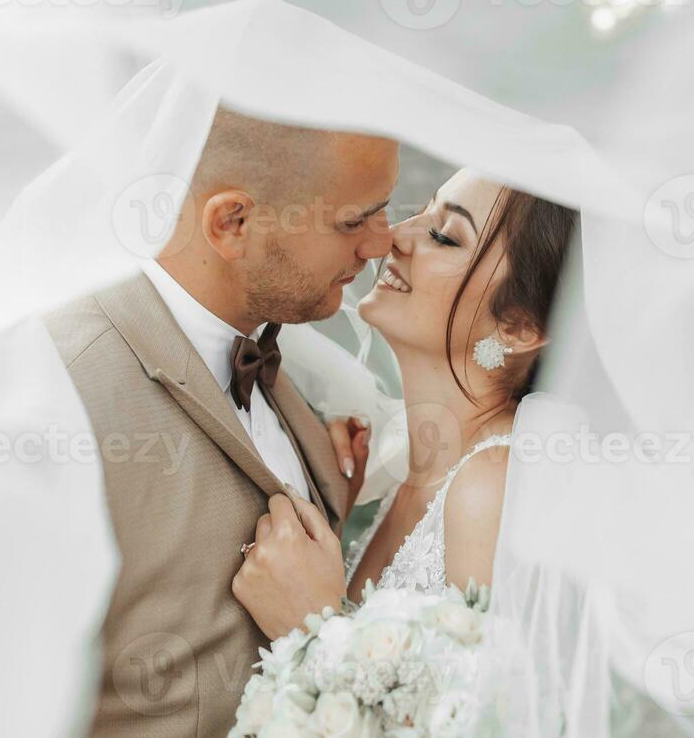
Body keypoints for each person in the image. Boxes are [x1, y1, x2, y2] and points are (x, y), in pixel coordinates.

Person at [45, 108, 395, 738]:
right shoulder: (61, 388)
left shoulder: (283, 378)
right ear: (231, 223)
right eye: (354, 221)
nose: (381, 244)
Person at [230, 168, 578, 632]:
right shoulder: (412, 469)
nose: (394, 237)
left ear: (516, 326)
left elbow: (496, 705)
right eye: (418, 214)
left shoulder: (491, 490)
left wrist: (311, 627)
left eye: (443, 235)